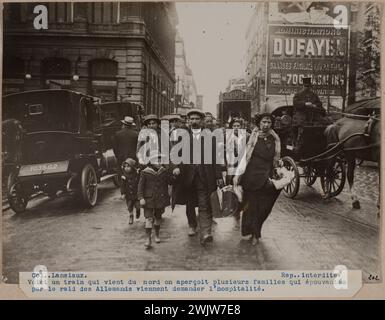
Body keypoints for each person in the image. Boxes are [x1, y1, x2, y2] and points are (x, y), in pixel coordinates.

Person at [171, 109, 225, 244]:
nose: (194, 121)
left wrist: (218, 176)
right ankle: (192, 225)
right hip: (187, 177)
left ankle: (206, 232)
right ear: (188, 121)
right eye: (192, 119)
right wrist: (175, 167)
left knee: (204, 204)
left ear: (201, 121)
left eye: (197, 119)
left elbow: (215, 157)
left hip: (205, 176)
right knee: (190, 204)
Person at [233, 113, 282, 245]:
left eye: (269, 123)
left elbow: (277, 157)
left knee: (265, 207)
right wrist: (238, 174)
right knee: (253, 206)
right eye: (263, 122)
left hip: (267, 175)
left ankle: (255, 230)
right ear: (259, 123)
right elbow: (244, 156)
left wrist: (279, 164)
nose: (266, 125)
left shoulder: (275, 139)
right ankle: (255, 233)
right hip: (251, 175)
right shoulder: (251, 137)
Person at [137, 153, 174, 249]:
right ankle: (148, 238)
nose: (158, 163)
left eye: (160, 160)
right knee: (148, 218)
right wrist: (141, 197)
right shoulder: (145, 172)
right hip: (148, 199)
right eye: (156, 160)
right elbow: (140, 187)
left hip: (160, 199)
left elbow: (170, 182)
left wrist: (174, 174)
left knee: (158, 218)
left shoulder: (164, 172)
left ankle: (157, 234)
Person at [120, 158, 140, 224]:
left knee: (138, 205)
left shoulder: (136, 174)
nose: (126, 168)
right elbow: (122, 185)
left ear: (132, 167)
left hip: (136, 194)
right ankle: (131, 215)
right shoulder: (124, 176)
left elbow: (140, 182)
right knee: (129, 206)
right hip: (128, 195)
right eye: (125, 167)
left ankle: (138, 211)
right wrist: (123, 193)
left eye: (128, 166)